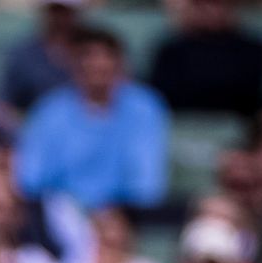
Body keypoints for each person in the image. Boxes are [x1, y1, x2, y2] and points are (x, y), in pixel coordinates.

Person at [14, 26, 168, 214]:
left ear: (120, 63)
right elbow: (32, 179)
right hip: (60, 214)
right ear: (73, 63)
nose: (97, 64)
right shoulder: (50, 110)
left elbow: (145, 183)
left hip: (125, 215)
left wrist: (110, 214)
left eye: (106, 56)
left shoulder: (144, 108)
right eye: (87, 56)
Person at [148, 0, 262, 117]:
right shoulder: (172, 49)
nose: (209, 10)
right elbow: (161, 96)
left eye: (216, 3)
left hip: (238, 125)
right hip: (182, 123)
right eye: (201, 4)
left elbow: (250, 95)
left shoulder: (252, 49)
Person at [0, 0, 79, 114]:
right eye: (55, 11)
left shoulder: (93, 54)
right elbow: (3, 106)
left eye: (65, 12)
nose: (60, 19)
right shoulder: (22, 55)